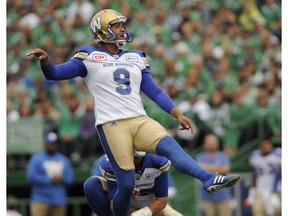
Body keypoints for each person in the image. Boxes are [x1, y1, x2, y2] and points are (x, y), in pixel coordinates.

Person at [26, 9, 240, 216]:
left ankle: (208, 178)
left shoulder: (135, 57)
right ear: (101, 31)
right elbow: (55, 73)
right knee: (126, 185)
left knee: (170, 146)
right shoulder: (89, 55)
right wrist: (46, 61)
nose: (122, 29)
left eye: (122, 25)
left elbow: (153, 91)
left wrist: (177, 113)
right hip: (112, 124)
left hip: (139, 119)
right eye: (116, 25)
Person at [84, 151, 182, 216]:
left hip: (151, 206)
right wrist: (125, 196)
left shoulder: (157, 161)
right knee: (91, 185)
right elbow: (114, 206)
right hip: (124, 206)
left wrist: (139, 214)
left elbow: (161, 201)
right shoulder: (110, 163)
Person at [26, 132, 74, 216]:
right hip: (40, 200)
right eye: (50, 143)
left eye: (54, 143)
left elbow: (70, 178)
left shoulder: (63, 159)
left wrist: (63, 179)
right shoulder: (37, 158)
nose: (52, 145)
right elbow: (31, 176)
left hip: (59, 200)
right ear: (45, 144)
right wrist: (50, 179)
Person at [196, 134, 234, 216]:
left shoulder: (223, 156)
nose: (211, 144)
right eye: (209, 142)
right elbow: (200, 169)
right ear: (205, 144)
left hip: (223, 196)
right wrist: (217, 168)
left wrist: (207, 167)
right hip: (207, 197)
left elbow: (226, 169)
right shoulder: (200, 156)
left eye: (213, 142)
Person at [244, 138, 281, 216]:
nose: (265, 147)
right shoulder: (255, 156)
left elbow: (279, 173)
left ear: (271, 146)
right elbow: (255, 174)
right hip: (260, 189)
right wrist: (251, 193)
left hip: (276, 189)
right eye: (263, 145)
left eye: (267, 145)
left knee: (276, 211)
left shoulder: (278, 155)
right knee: (257, 211)